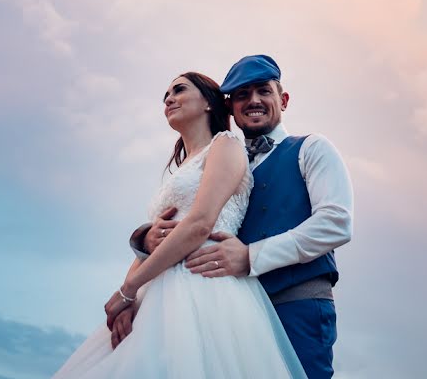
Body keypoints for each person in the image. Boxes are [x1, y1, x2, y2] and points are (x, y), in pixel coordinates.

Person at [52, 71, 306, 378]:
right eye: (165, 96)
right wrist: (130, 296)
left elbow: (200, 223)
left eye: (179, 90)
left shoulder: (225, 145)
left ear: (209, 103)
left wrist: (128, 289)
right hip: (157, 285)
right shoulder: (182, 167)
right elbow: (154, 242)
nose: (169, 98)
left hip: (205, 281)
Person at [120, 55, 354, 378]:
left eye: (263, 91)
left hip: (295, 304)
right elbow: (197, 214)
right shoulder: (224, 158)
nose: (253, 100)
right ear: (230, 108)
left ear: (283, 99)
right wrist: (145, 236)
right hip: (230, 312)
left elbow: (336, 223)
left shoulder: (311, 149)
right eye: (242, 95)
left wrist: (251, 256)